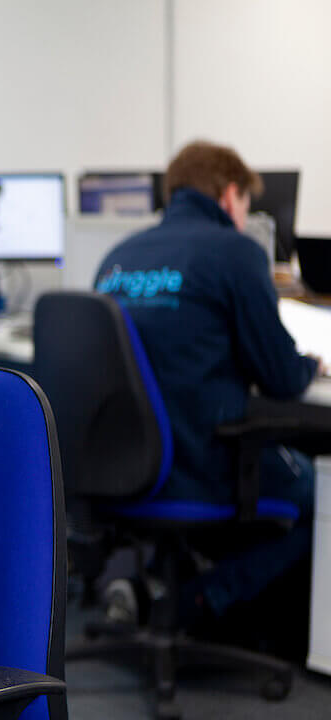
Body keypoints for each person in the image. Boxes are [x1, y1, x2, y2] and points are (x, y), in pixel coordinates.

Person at [94, 140, 323, 629]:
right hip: (203, 464)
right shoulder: (234, 252)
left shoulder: (117, 257)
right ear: (228, 194)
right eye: (246, 204)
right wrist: (310, 365)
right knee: (322, 492)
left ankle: (154, 587)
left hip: (120, 469)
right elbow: (281, 379)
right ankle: (201, 599)